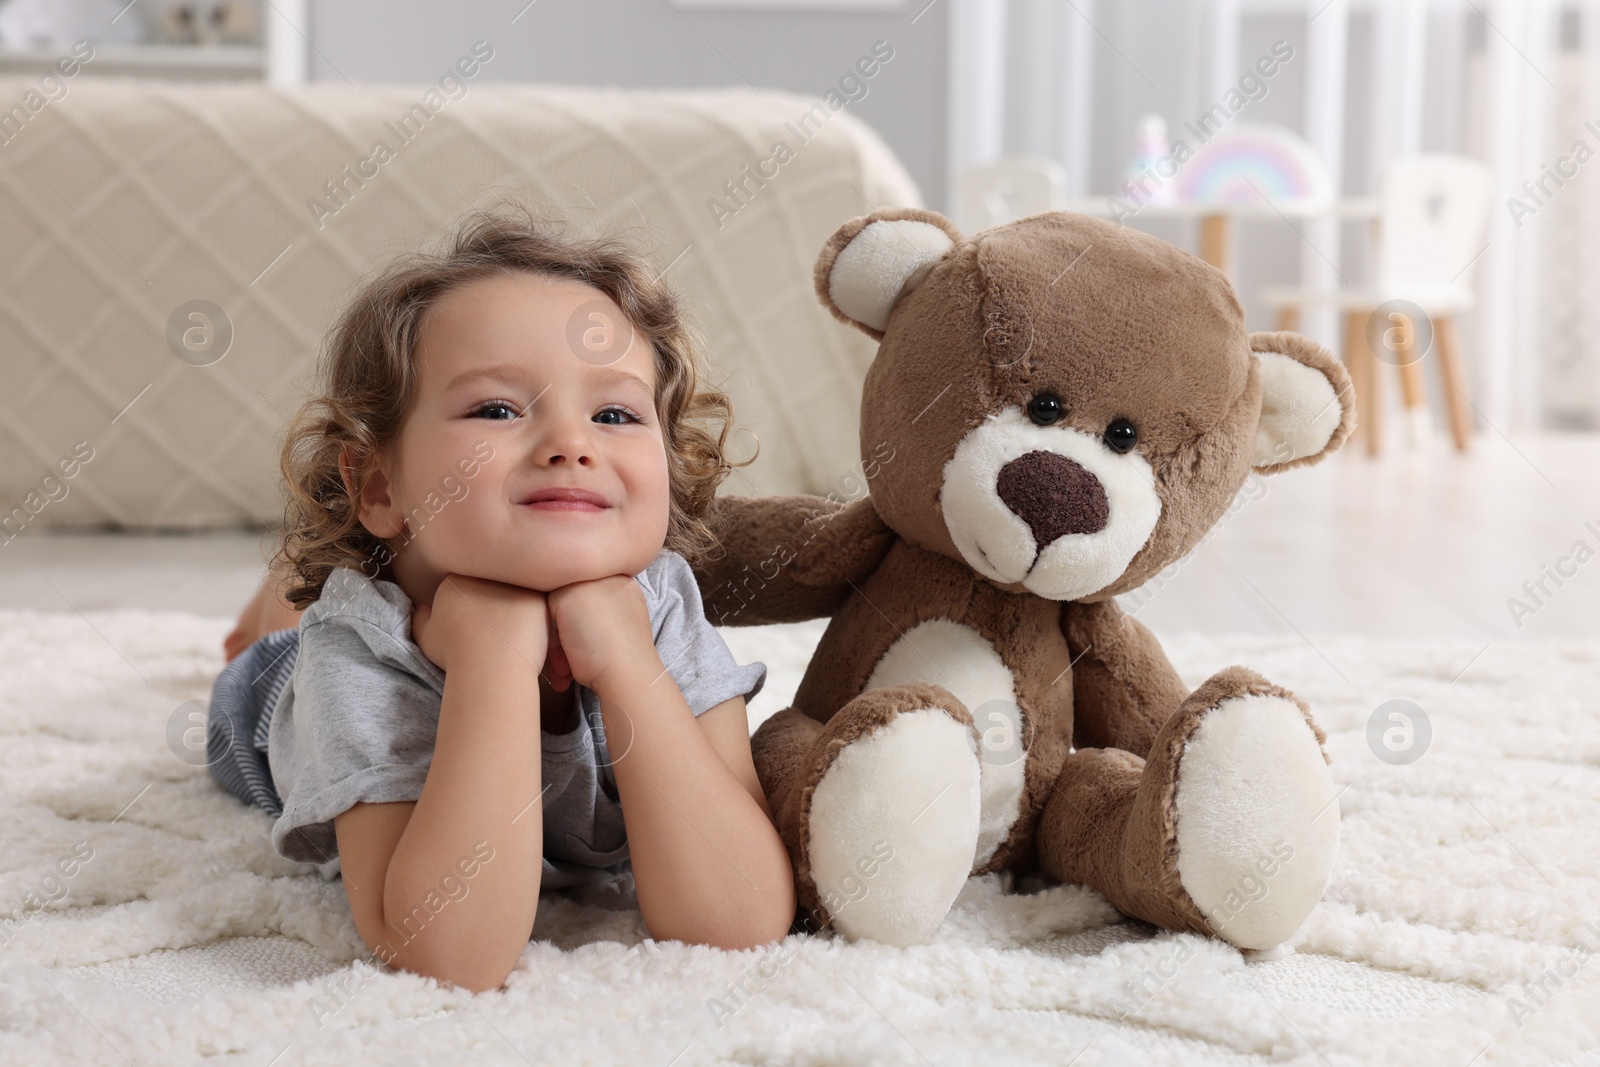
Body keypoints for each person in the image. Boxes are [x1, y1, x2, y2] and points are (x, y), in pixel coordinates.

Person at [207, 202, 793, 992]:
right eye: (497, 408)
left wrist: (624, 661)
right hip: (271, 694)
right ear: (380, 485)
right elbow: (446, 955)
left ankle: (286, 587)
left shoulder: (661, 607)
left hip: (552, 620)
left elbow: (739, 921)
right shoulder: (359, 651)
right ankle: (278, 605)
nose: (569, 443)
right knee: (274, 639)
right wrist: (490, 658)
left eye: (615, 413)